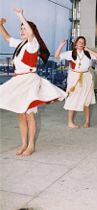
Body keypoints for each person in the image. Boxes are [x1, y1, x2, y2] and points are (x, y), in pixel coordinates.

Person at [0, 10, 67, 156]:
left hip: (28, 81)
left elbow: (30, 34)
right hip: (19, 80)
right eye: (21, 28)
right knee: (20, 113)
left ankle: (31, 145)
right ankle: (23, 143)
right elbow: (7, 38)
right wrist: (0, 26)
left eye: (25, 28)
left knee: (29, 114)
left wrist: (20, 16)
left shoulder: (33, 43)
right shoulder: (21, 44)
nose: (22, 30)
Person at [55, 36, 97, 128]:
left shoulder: (88, 54)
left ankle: (87, 122)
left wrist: (88, 50)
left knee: (86, 100)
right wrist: (61, 45)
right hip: (74, 78)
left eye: (83, 42)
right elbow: (57, 56)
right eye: (79, 42)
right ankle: (70, 122)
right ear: (75, 44)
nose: (81, 43)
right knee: (72, 98)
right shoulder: (70, 53)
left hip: (86, 77)